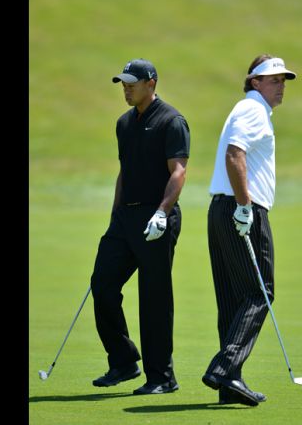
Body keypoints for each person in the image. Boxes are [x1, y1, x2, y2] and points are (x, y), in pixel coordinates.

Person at [89, 58, 190, 395]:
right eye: (123, 83)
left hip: (157, 217)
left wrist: (163, 212)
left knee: (154, 298)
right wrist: (115, 213)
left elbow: (178, 171)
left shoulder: (172, 121)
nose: (126, 88)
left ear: (152, 83)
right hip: (124, 219)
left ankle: (162, 378)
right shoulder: (123, 123)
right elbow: (125, 171)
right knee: (102, 285)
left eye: (132, 83)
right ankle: (122, 361)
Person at [201, 54, 297, 406]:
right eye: (273, 80)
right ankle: (225, 369)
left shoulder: (248, 109)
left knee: (233, 299)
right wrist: (244, 206)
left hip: (222, 209)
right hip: (243, 209)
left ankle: (230, 383)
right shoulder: (253, 110)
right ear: (254, 82)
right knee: (260, 293)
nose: (280, 85)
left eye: (283, 80)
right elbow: (234, 155)